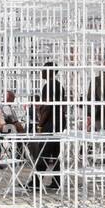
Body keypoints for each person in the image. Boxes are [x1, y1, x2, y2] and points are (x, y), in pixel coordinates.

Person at [33, 64, 66, 192]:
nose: (41, 72)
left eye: (44, 70)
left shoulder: (49, 86)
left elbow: (47, 107)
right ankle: (56, 181)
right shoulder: (58, 85)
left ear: (50, 72)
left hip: (51, 123)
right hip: (60, 122)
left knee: (43, 152)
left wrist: (40, 124)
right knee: (57, 153)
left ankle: (36, 182)